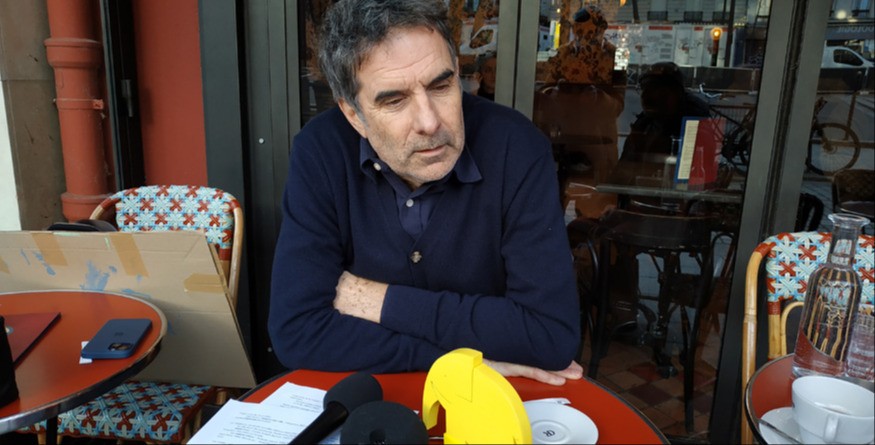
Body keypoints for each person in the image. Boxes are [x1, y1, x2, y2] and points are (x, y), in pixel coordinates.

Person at [268, 0, 582, 386]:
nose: (430, 122)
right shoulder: (321, 152)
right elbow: (296, 330)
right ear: (353, 115)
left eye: (441, 86)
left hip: (490, 402)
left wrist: (376, 300)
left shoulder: (516, 148)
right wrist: (452, 358)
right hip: (379, 401)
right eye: (394, 100)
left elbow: (549, 335)